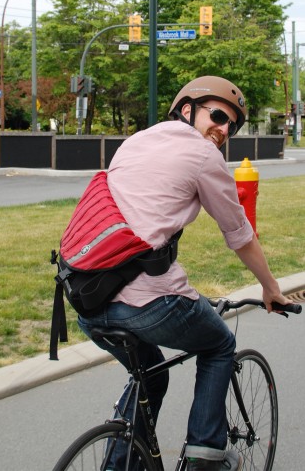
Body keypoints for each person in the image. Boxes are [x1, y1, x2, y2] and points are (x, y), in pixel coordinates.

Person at [76, 76, 292, 471]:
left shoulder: (135, 141)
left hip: (89, 301)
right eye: (219, 116)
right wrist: (270, 287)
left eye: (232, 126)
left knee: (151, 377)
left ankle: (120, 464)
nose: (224, 130)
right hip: (149, 303)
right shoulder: (203, 155)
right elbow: (239, 233)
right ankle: (204, 457)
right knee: (219, 345)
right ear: (187, 109)